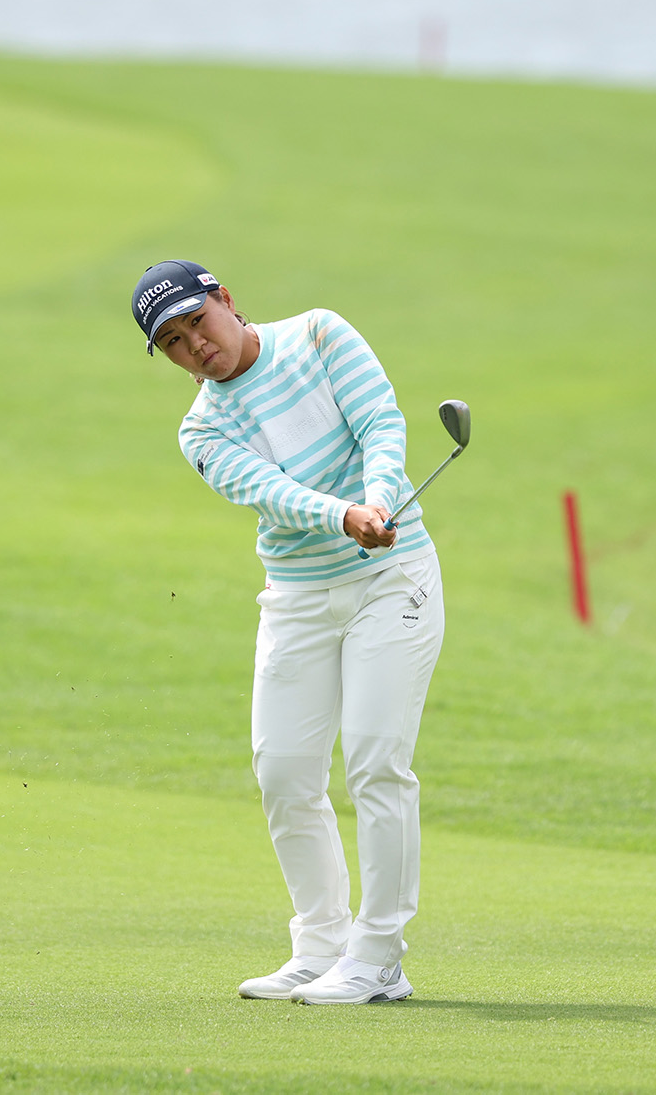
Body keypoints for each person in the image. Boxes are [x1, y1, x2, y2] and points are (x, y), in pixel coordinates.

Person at [131, 260, 446, 1005]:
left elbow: (379, 421)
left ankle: (379, 958)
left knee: (375, 760)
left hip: (391, 578)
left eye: (195, 324)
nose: (193, 348)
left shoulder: (318, 334)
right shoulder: (201, 429)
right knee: (284, 770)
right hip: (300, 593)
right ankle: (322, 945)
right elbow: (267, 489)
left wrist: (374, 502)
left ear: (226, 300)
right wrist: (343, 517)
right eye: (172, 343)